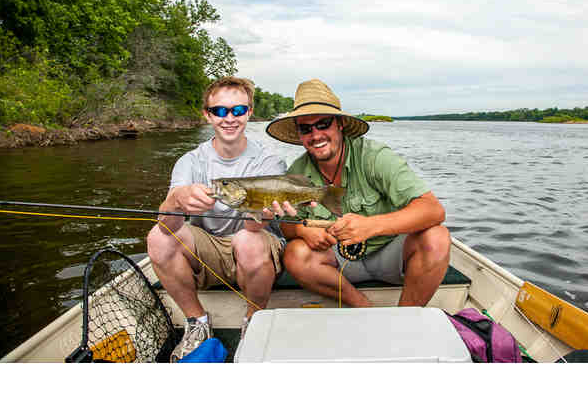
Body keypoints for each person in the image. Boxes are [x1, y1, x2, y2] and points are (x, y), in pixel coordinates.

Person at [147, 76, 296, 362]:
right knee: (157, 237)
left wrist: (262, 213)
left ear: (249, 112)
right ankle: (197, 322)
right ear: (207, 114)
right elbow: (166, 226)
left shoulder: (269, 161)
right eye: (220, 111)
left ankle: (254, 319)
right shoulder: (190, 161)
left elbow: (254, 226)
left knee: (248, 239)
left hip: (255, 247)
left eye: (238, 110)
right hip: (208, 251)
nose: (229, 118)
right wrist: (177, 200)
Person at [265, 79, 451, 308]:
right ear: (299, 134)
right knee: (295, 254)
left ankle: (404, 317)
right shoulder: (297, 172)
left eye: (323, 124)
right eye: (306, 128)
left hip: (390, 254)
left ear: (340, 124)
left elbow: (433, 210)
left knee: (437, 237)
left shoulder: (375, 157)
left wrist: (372, 226)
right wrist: (302, 230)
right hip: (336, 262)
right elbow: (287, 225)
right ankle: (363, 307)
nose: (316, 135)